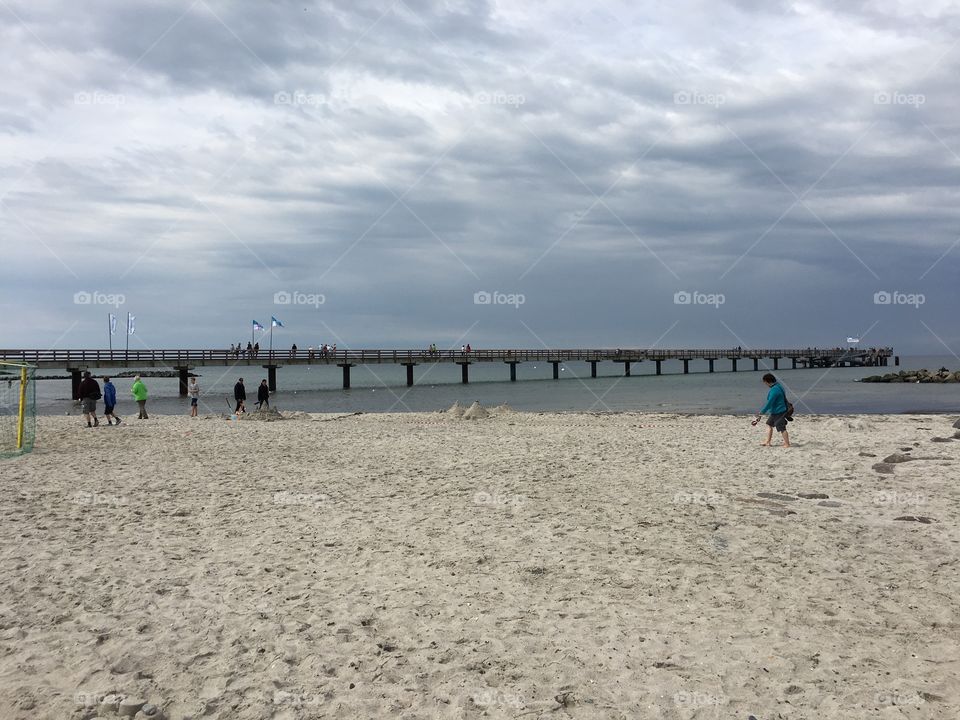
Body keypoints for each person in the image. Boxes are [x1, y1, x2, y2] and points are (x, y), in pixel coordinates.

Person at [755, 373, 790, 447]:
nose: (765, 384)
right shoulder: (778, 386)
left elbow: (769, 403)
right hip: (775, 411)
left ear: (767, 381)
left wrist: (762, 412)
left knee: (782, 428)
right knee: (769, 424)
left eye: (764, 382)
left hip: (779, 411)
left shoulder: (774, 390)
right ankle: (767, 441)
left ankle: (787, 443)